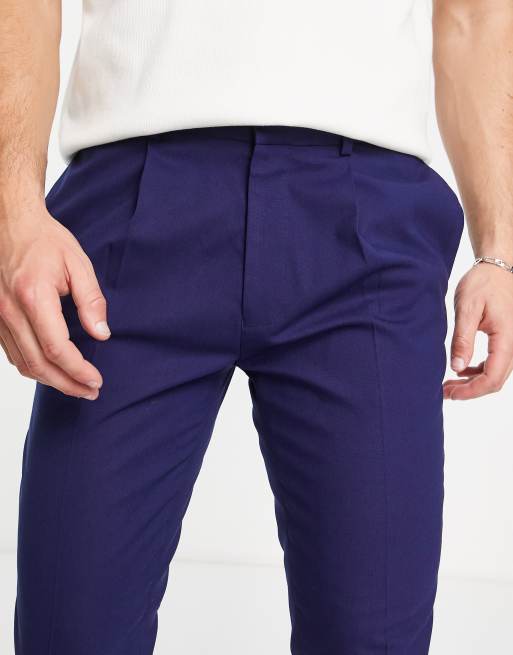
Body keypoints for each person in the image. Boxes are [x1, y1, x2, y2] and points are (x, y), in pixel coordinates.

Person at [1, 1, 512, 653]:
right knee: (71, 631)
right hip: (132, 199)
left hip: (366, 211)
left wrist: (500, 249)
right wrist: (12, 211)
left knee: (371, 638)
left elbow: (474, 13)